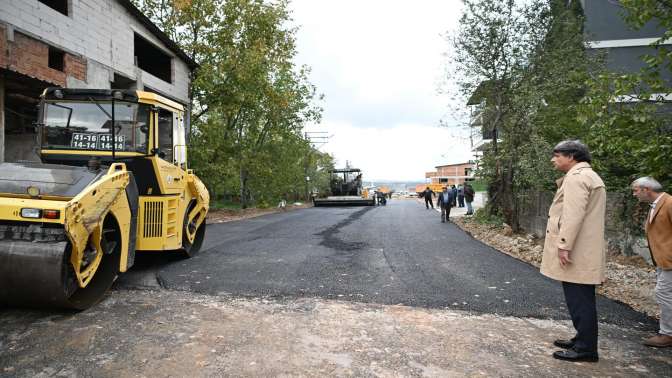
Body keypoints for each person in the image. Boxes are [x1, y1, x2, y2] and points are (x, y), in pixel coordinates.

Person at [540, 140, 606, 363]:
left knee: (580, 299)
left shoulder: (577, 178)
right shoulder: (587, 175)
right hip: (583, 248)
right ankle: (582, 339)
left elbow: (573, 214)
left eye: (557, 155)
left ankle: (586, 348)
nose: (553, 159)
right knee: (580, 297)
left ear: (572, 156)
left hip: (577, 250)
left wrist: (564, 244)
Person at [632, 176, 672, 348]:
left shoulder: (669, 203)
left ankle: (668, 334)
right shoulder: (656, 205)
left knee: (663, 293)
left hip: (669, 260)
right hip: (663, 260)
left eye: (635, 190)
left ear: (646, 189)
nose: (634, 194)